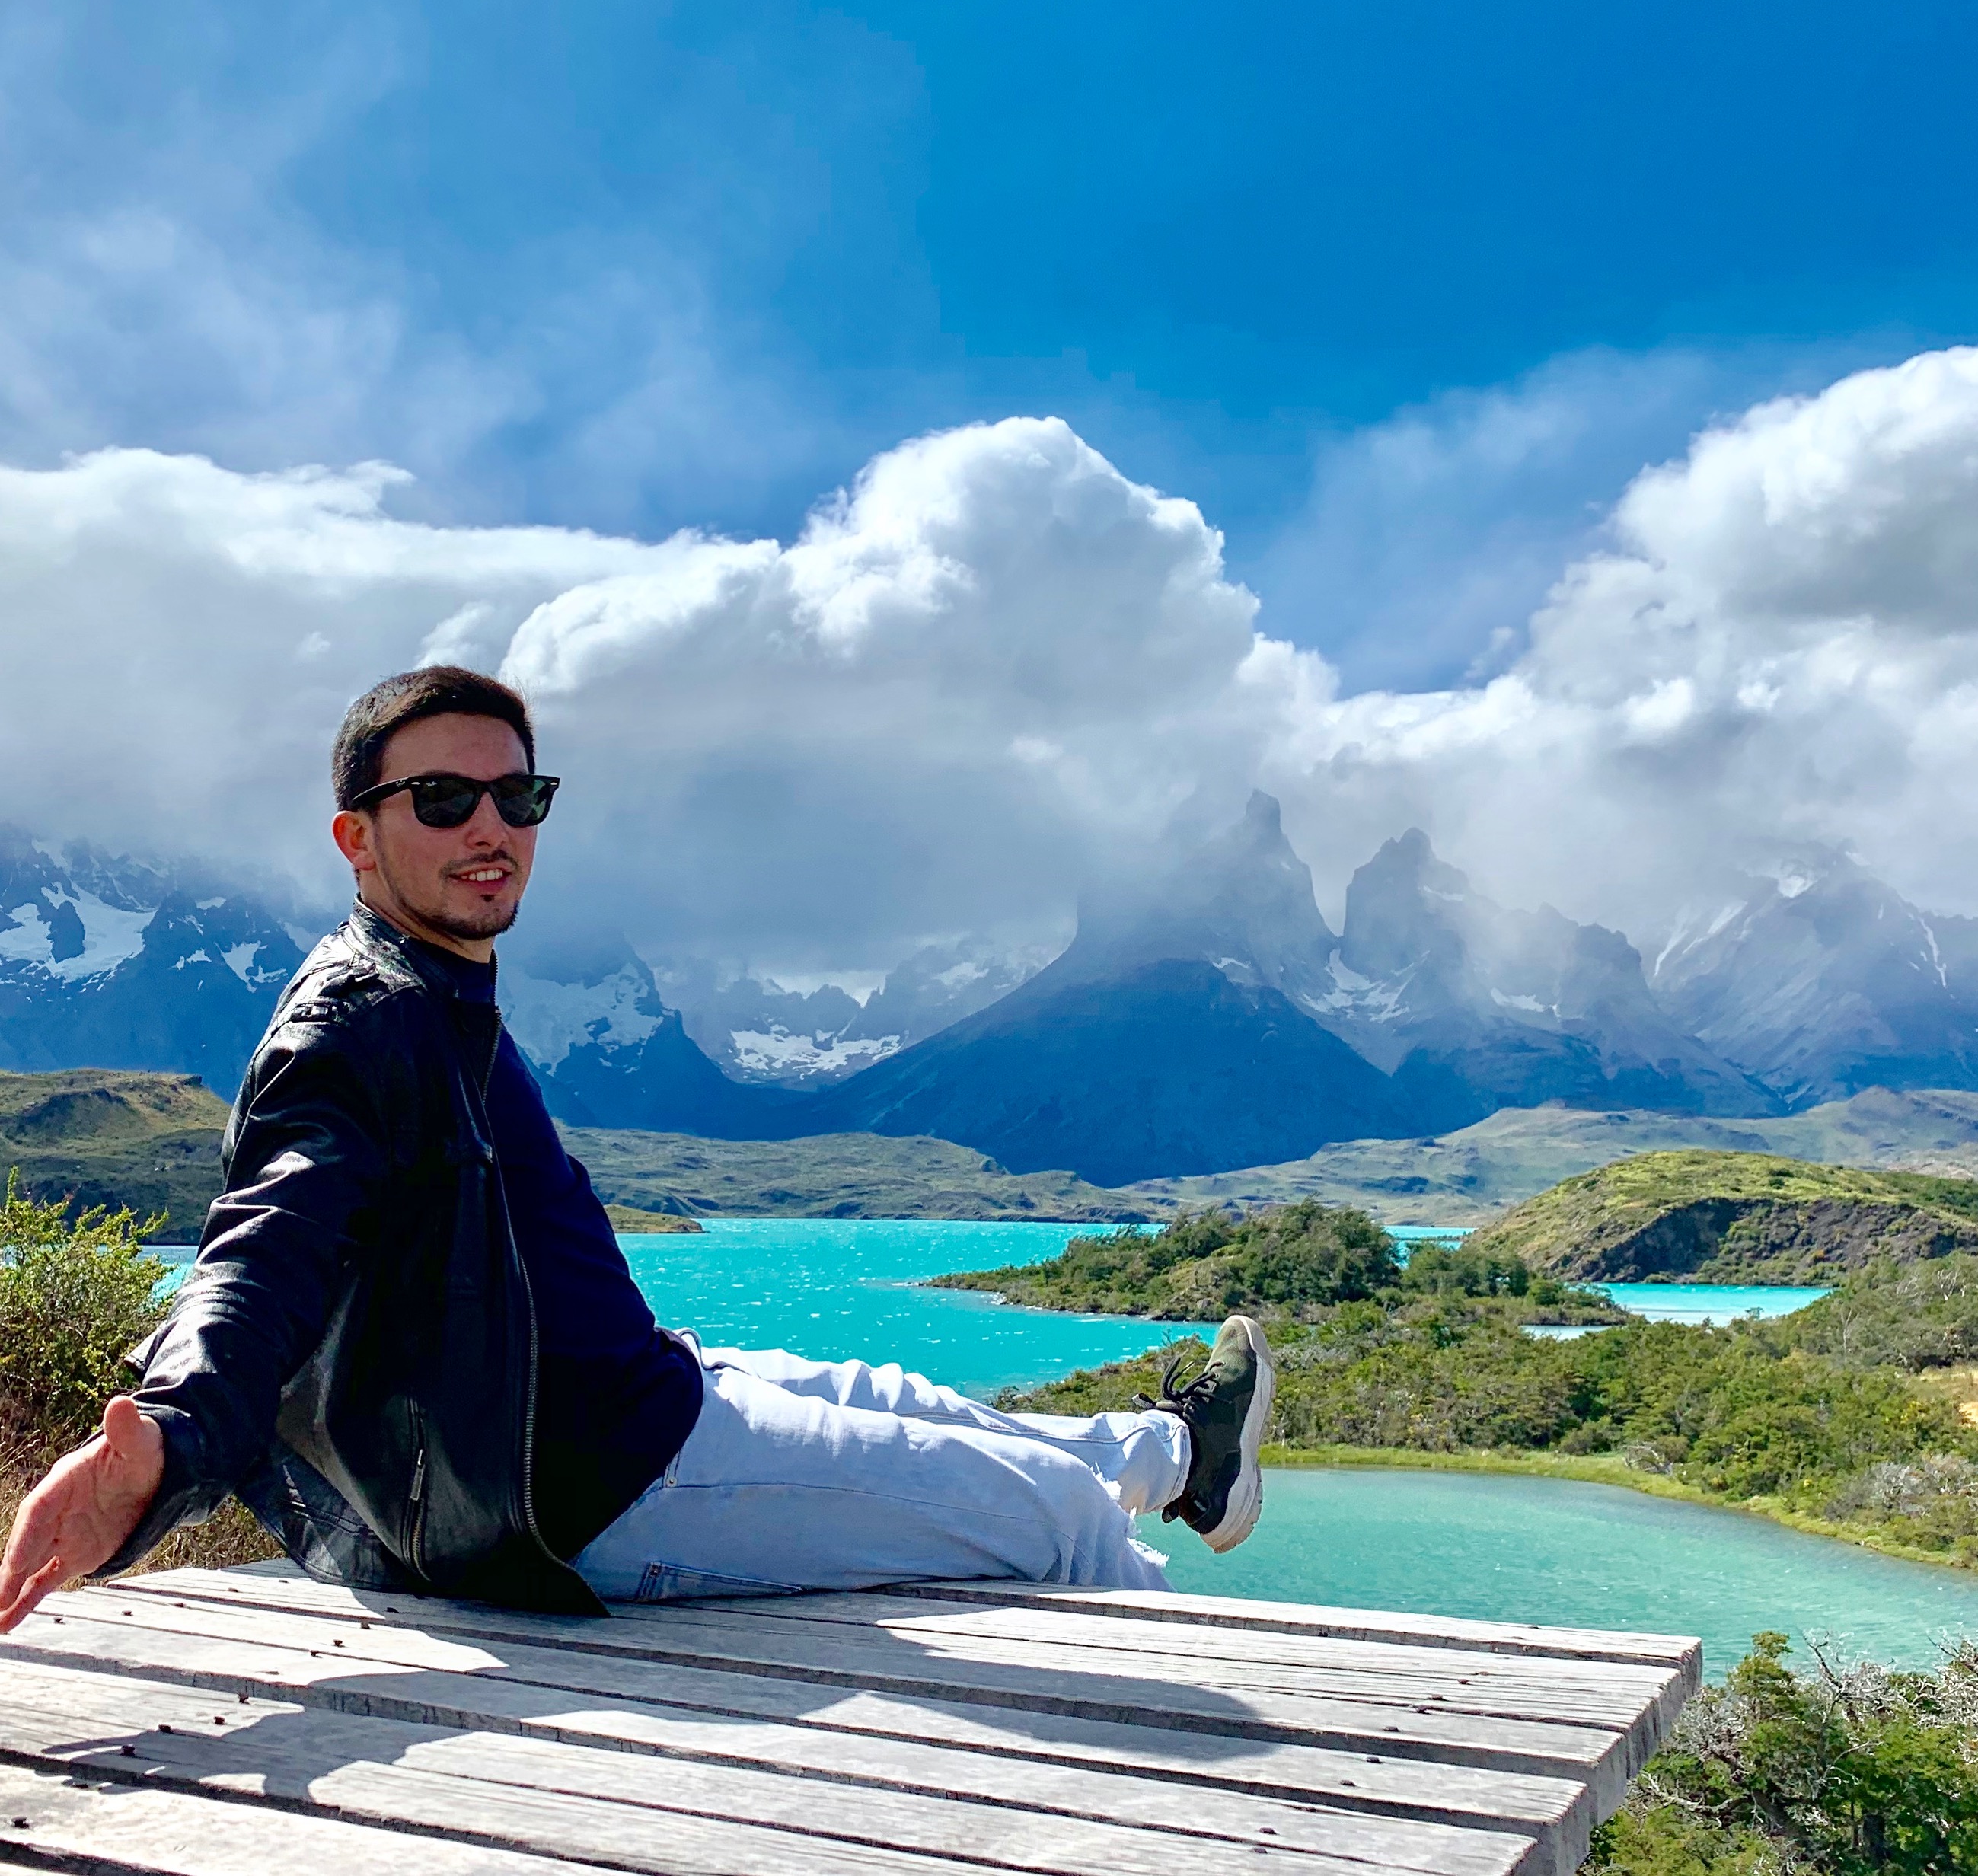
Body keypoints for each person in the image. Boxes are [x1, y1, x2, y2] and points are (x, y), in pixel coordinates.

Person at [0, 668, 1271, 1628]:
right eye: (441, 799)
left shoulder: (431, 986)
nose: (489, 826)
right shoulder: (353, 1026)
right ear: (356, 835)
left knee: (905, 1396)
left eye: (517, 796)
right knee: (1052, 1520)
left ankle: (1178, 1457)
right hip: (600, 1483)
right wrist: (169, 1433)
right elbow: (268, 1246)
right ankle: (1210, 1752)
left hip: (638, 1391)